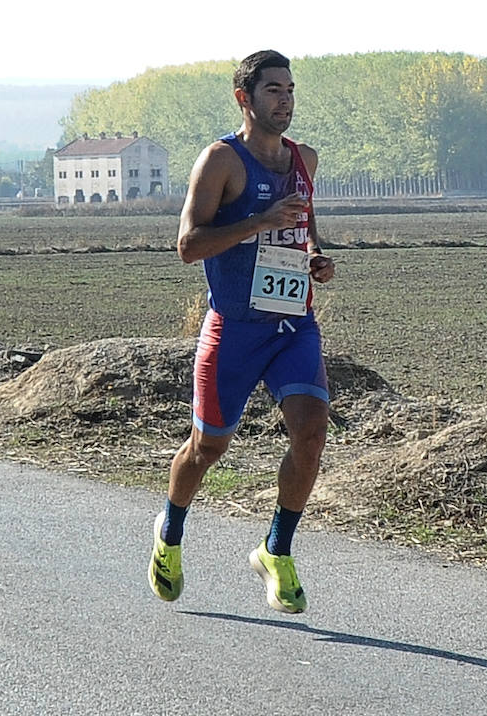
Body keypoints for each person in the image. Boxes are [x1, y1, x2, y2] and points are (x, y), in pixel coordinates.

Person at [149, 50, 337, 613]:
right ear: (244, 98)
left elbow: (307, 227)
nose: (285, 100)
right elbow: (188, 246)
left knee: (311, 431)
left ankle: (276, 550)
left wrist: (316, 255)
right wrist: (257, 222)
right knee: (207, 447)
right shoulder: (220, 161)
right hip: (234, 328)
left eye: (290, 89)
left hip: (293, 324)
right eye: (273, 90)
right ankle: (169, 532)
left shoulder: (304, 159)